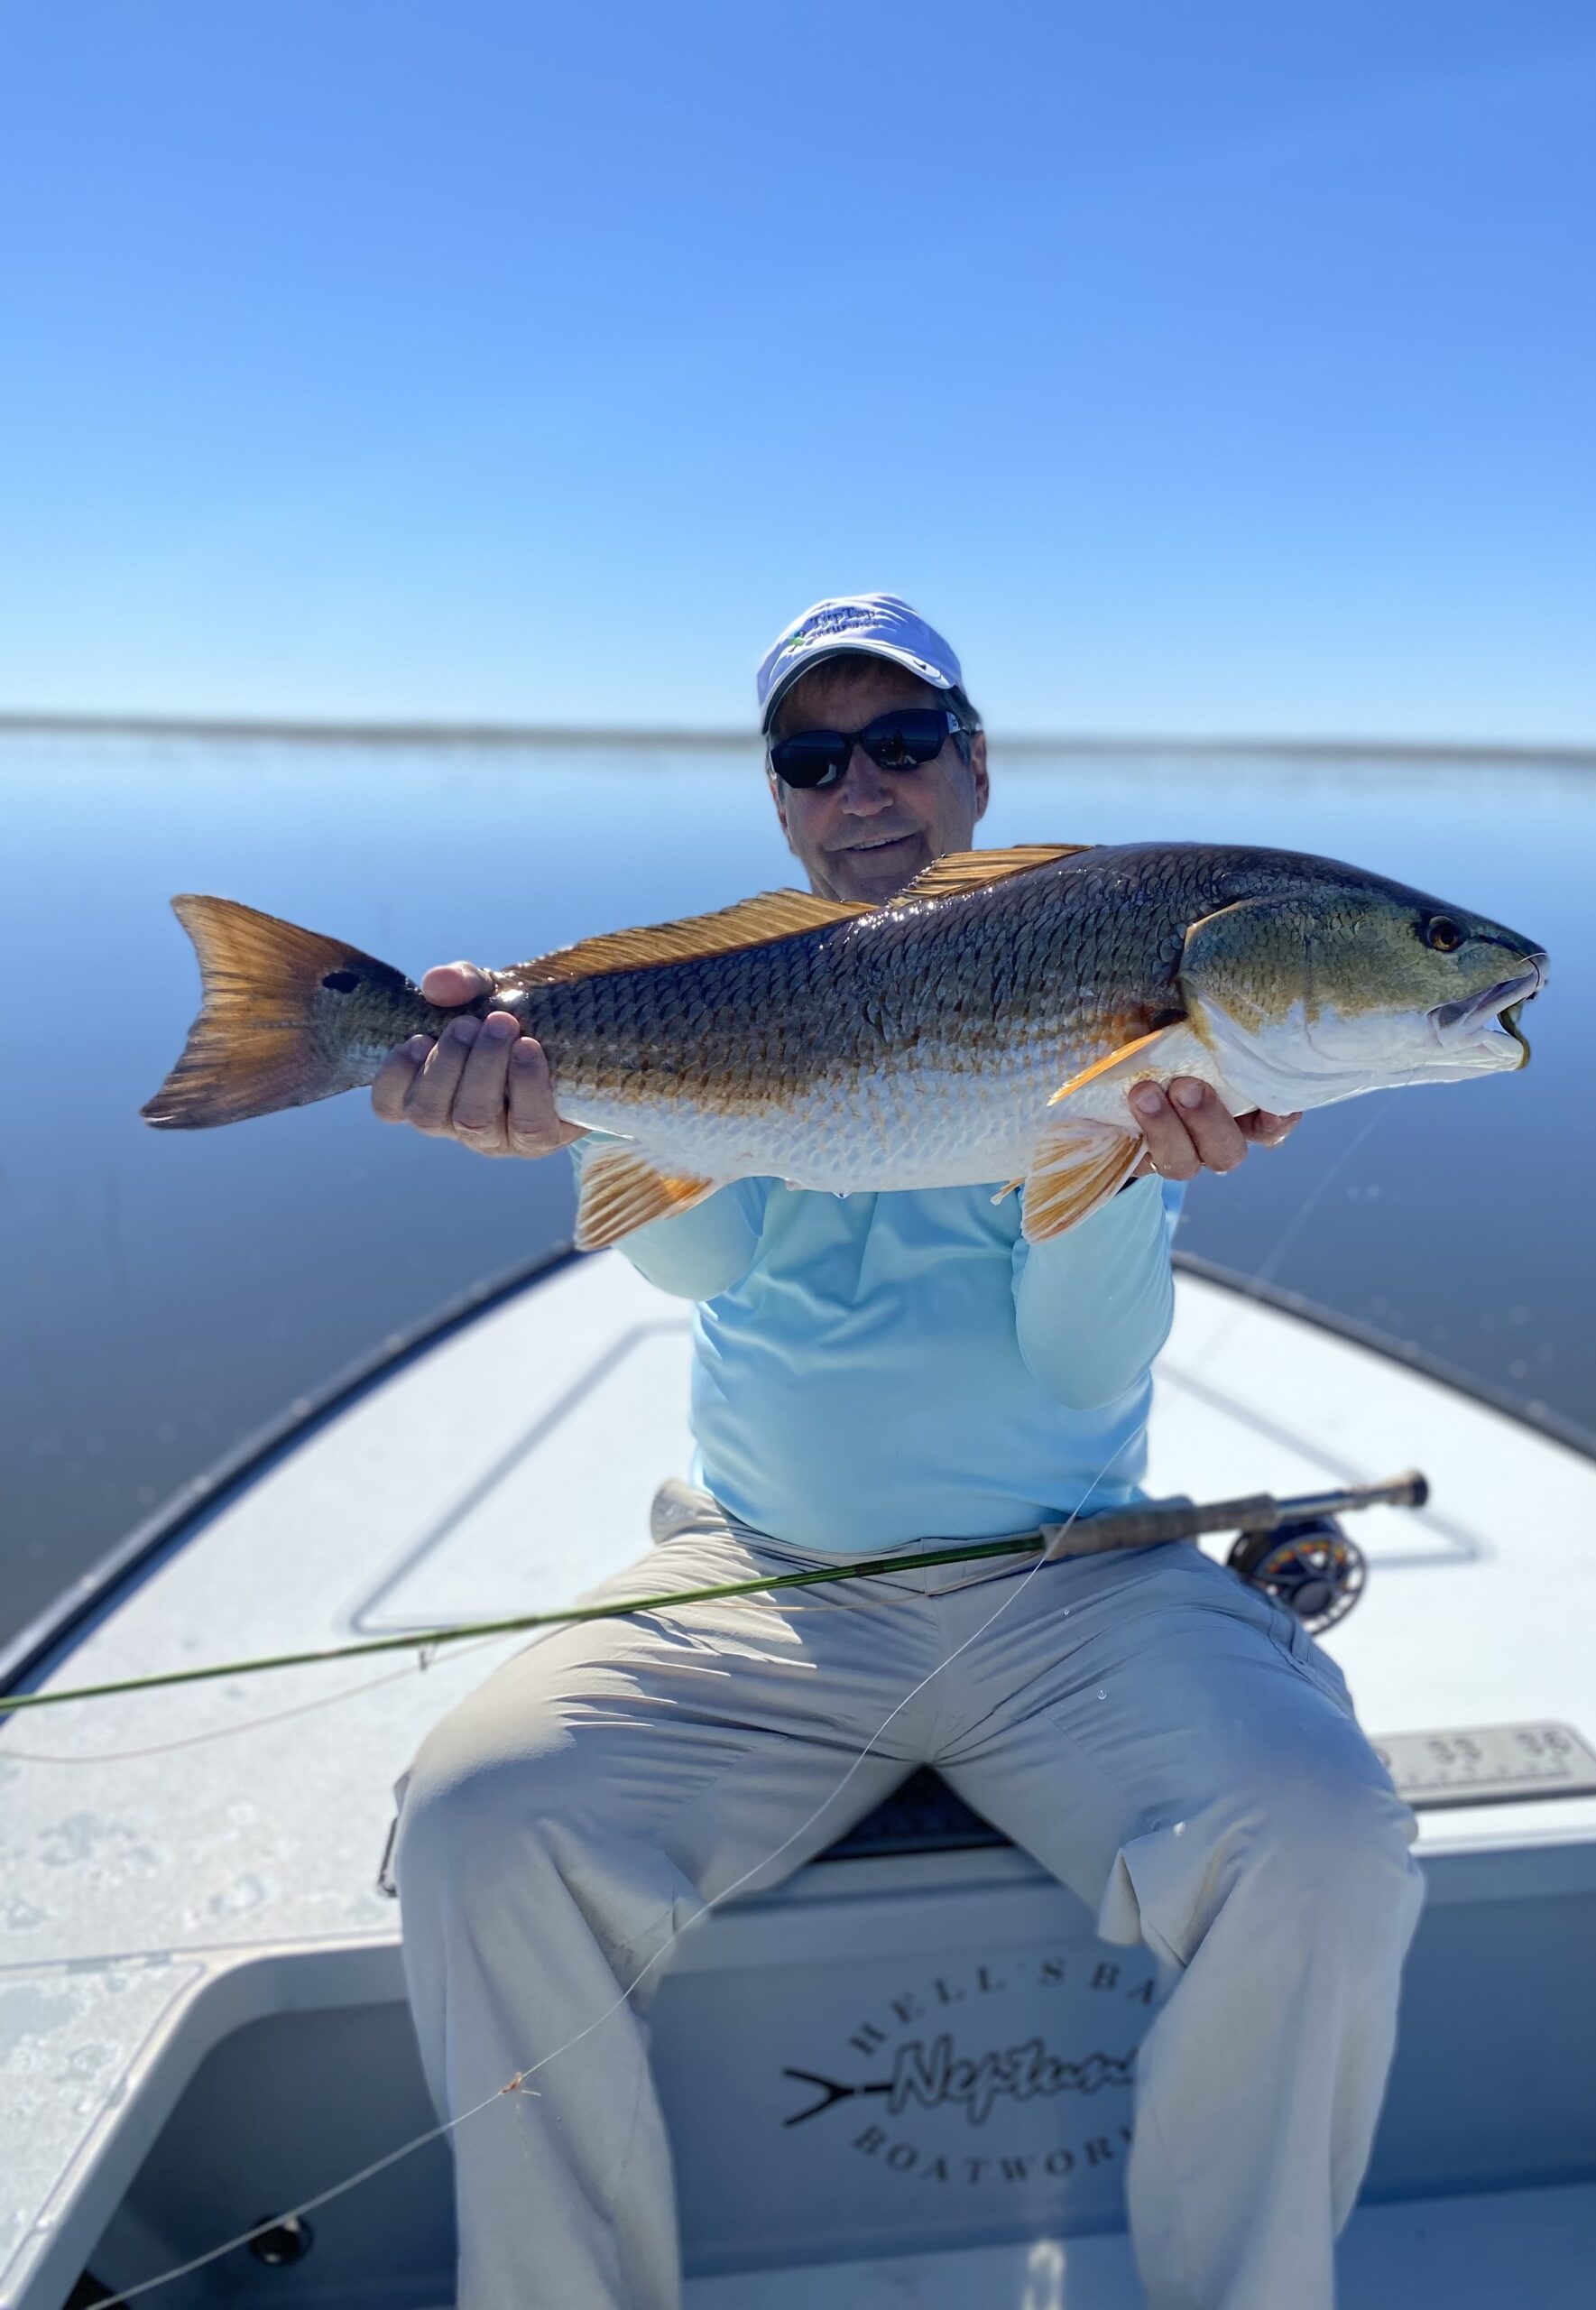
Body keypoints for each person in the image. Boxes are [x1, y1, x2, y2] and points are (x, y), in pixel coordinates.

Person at [376, 596, 1425, 2310]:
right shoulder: (752, 986)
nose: (862, 784)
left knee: (1324, 1829)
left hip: (1077, 1588)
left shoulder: (1104, 968)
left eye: (904, 742)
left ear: (976, 764)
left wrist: (1122, 1154)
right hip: (770, 1581)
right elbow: (699, 1261)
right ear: (781, 803)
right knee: (477, 1813)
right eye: (814, 756)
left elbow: (1082, 1361)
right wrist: (575, 1113)